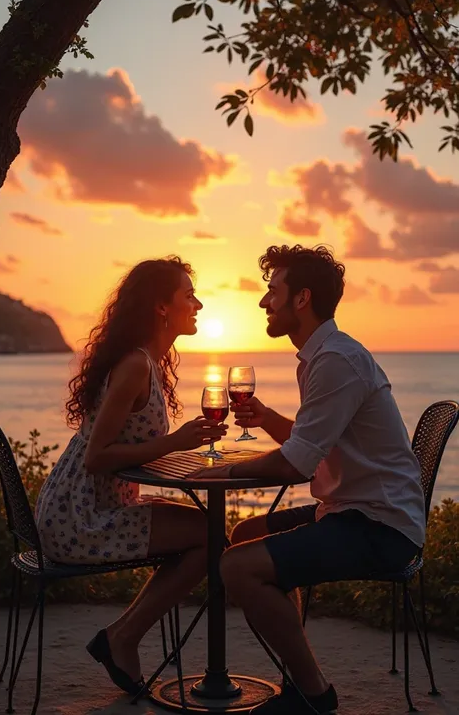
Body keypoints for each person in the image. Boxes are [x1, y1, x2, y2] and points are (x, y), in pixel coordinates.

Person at [191, 244, 425, 715]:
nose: (263, 302)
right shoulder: (324, 355)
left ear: (301, 298)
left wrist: (225, 470)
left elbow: (297, 463)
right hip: (348, 509)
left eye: (271, 291)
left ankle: (313, 694)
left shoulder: (336, 360)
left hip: (379, 526)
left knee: (237, 566)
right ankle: (299, 676)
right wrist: (267, 419)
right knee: (244, 534)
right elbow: (313, 441)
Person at [35, 256, 227, 695]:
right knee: (211, 535)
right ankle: (122, 637)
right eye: (188, 295)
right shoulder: (136, 366)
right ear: (162, 307)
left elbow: (128, 451)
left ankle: (122, 635)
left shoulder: (149, 361)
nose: (197, 304)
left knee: (209, 530)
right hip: (78, 518)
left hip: (98, 505)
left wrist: (181, 453)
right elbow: (97, 457)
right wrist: (176, 443)